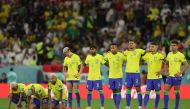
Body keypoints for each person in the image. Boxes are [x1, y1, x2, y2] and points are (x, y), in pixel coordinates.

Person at [163, 40, 189, 109]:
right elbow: (166, 63)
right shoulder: (169, 54)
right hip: (170, 76)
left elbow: (186, 65)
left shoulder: (180, 55)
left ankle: (176, 107)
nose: (173, 47)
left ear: (177, 46)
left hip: (176, 77)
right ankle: (165, 107)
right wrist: (166, 71)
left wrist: (180, 72)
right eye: (172, 45)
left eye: (174, 45)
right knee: (165, 91)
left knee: (176, 92)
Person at [124, 39, 145, 109]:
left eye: (132, 43)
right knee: (128, 90)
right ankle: (127, 106)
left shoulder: (139, 51)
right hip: (128, 74)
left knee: (138, 89)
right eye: (129, 43)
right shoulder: (126, 52)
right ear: (128, 45)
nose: (131, 44)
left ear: (134, 45)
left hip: (136, 73)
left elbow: (147, 52)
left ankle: (140, 106)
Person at [142, 42, 164, 109]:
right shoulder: (147, 55)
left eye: (153, 46)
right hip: (149, 77)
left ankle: (155, 107)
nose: (151, 48)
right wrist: (146, 51)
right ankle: (144, 107)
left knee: (157, 93)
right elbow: (142, 57)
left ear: (156, 47)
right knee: (147, 92)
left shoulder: (160, 55)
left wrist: (161, 71)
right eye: (150, 47)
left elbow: (166, 63)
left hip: (157, 78)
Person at [104, 43, 125, 109]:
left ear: (117, 48)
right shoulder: (108, 55)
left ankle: (117, 107)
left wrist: (122, 52)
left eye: (114, 48)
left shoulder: (121, 55)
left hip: (118, 76)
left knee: (118, 91)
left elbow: (127, 59)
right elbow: (103, 60)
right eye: (111, 48)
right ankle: (116, 106)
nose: (112, 49)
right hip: (111, 77)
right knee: (114, 91)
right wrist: (108, 66)